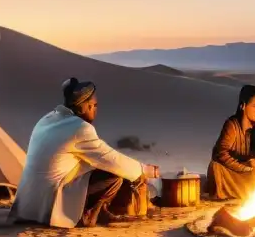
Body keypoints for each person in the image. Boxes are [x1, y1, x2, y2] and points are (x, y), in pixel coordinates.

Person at [9, 77, 159, 228]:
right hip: (51, 203)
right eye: (93, 105)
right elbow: (109, 158)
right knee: (114, 175)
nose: (96, 109)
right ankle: (87, 216)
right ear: (82, 108)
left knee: (98, 166)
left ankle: (102, 211)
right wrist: (144, 170)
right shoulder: (80, 128)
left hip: (28, 204)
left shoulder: (46, 119)